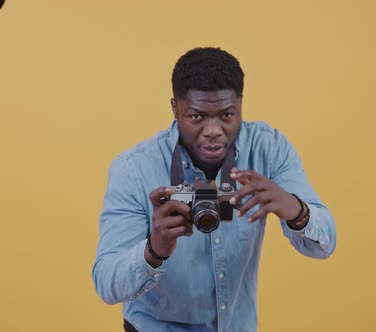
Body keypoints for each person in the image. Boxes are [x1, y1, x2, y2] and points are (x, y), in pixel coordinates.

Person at [92, 47, 336, 332]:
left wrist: (295, 209)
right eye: (196, 117)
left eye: (226, 115)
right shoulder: (134, 169)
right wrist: (153, 251)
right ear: (175, 109)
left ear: (241, 104)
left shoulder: (269, 150)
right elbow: (106, 283)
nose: (213, 130)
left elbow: (325, 244)